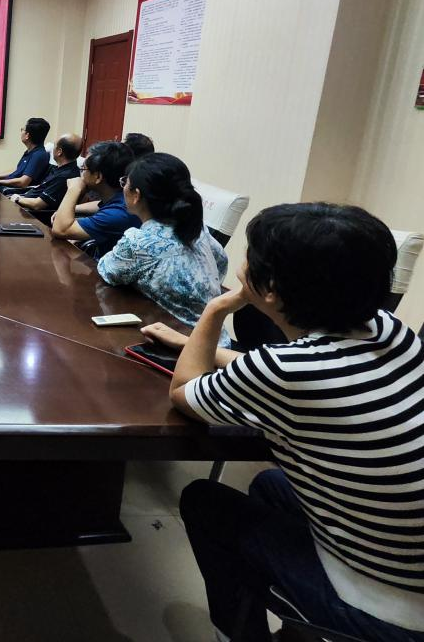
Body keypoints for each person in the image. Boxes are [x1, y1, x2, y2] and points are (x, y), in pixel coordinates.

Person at [141, 203, 424, 642]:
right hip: (410, 559)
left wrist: (215, 310)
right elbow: (275, 372)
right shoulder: (389, 330)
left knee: (204, 503)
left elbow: (184, 393)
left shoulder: (288, 370)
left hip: (389, 608)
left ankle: (241, 633)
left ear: (270, 289)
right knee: (269, 485)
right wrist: (190, 344)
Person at [97, 153, 228, 332]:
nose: (123, 187)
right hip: (215, 338)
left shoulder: (140, 242)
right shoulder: (197, 228)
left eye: (125, 182)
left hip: (176, 342)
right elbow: (221, 260)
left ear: (136, 195)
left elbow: (108, 270)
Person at [50, 140, 139, 256]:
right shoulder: (122, 197)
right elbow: (99, 205)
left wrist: (73, 189)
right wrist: (72, 209)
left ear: (98, 177)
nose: (81, 174)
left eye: (83, 169)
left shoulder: (117, 214)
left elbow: (60, 230)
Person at [10, 132, 81, 212]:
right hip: (26, 201)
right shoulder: (62, 169)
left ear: (59, 152)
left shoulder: (64, 176)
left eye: (54, 146)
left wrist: (17, 199)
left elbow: (37, 204)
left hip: (31, 213)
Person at [0, 117, 51, 191]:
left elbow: (23, 182)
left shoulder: (38, 155)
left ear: (27, 135)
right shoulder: (30, 152)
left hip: (12, 192)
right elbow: (18, 170)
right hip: (5, 187)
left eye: (22, 130)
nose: (21, 132)